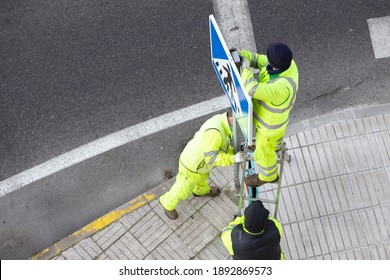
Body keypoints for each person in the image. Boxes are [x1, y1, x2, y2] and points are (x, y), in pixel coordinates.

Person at [159, 109, 244, 220]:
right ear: (233, 119)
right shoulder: (215, 133)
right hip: (192, 165)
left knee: (201, 178)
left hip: (199, 164)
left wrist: (234, 152)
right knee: (183, 189)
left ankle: (200, 191)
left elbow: (220, 148)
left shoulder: (221, 121)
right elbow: (212, 159)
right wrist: (233, 158)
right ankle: (167, 203)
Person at [239, 42, 299, 186]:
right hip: (278, 123)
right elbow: (261, 60)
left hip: (268, 129)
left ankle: (268, 177)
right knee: (275, 142)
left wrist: (242, 69)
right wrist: (242, 55)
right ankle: (276, 148)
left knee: (262, 154)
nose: (267, 62)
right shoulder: (287, 64)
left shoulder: (282, 87)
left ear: (276, 66)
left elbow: (252, 89)